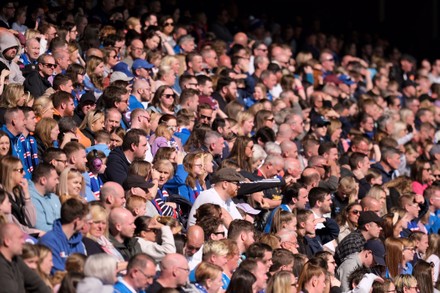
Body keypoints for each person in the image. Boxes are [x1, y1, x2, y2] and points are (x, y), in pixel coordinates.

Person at [38, 198, 89, 273]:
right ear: (77, 221)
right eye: (84, 221)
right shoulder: (49, 241)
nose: (84, 226)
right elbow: (56, 272)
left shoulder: (78, 242)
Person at [0, 223, 51, 293]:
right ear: (7, 241)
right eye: (20, 238)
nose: (23, 241)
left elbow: (37, 283)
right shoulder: (2, 268)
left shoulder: (16, 260)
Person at [29, 163, 61, 232]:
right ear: (43, 180)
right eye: (55, 179)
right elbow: (40, 227)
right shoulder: (31, 198)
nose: (58, 182)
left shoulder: (53, 197)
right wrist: (64, 231)